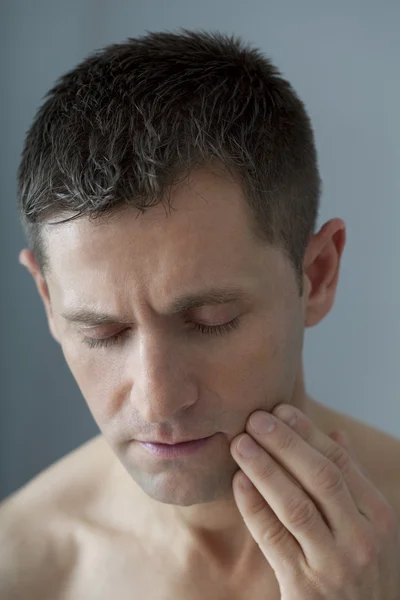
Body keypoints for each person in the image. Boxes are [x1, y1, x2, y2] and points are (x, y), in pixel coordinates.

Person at [1, 29, 399, 600]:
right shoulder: (22, 569)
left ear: (315, 277)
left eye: (211, 320)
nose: (157, 402)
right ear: (48, 302)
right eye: (103, 333)